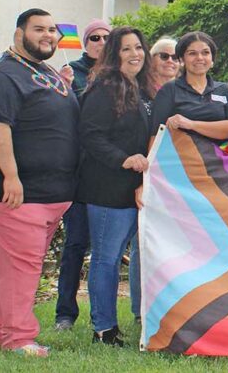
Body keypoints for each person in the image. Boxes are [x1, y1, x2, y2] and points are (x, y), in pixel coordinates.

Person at [0, 8, 79, 357]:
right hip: (14, 194)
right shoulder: (3, 75)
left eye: (52, 30)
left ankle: (4, 332)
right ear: (19, 33)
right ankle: (19, 338)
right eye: (38, 29)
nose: (48, 35)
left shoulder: (43, 71)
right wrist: (12, 177)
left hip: (46, 195)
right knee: (21, 268)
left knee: (10, 269)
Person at [77, 27, 155, 346]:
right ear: (114, 55)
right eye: (126, 49)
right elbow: (91, 135)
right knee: (106, 259)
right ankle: (103, 329)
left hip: (130, 189)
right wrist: (124, 159)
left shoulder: (139, 88)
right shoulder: (104, 89)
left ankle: (109, 324)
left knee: (112, 258)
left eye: (139, 47)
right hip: (107, 189)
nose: (135, 54)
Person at [53, 18, 109, 331]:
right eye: (95, 38)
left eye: (106, 38)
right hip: (78, 173)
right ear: (85, 42)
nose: (101, 43)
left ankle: (104, 316)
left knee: (108, 252)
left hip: (111, 174)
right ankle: (65, 314)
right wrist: (65, 88)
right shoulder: (70, 71)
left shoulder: (121, 75)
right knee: (75, 245)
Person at [125, 35, 178, 323]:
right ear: (151, 59)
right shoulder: (138, 93)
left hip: (178, 180)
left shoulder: (182, 92)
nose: (171, 61)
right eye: (164, 56)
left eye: (174, 57)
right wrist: (142, 179)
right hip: (145, 175)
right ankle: (139, 311)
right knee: (142, 242)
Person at [150, 31, 228, 141]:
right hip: (184, 157)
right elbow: (156, 134)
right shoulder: (169, 90)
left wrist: (191, 124)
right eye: (192, 53)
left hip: (223, 156)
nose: (199, 57)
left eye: (205, 53)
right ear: (182, 60)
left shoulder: (225, 90)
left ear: (212, 60)